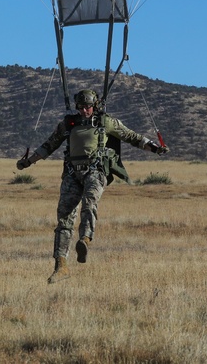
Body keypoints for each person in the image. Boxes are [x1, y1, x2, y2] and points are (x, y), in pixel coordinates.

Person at [16, 88, 168, 283]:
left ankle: (85, 240)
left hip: (95, 171)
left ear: (94, 106)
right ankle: (61, 265)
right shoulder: (69, 124)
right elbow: (49, 145)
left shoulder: (106, 122)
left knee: (89, 203)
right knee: (64, 218)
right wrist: (28, 161)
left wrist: (155, 148)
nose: (84, 111)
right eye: (81, 107)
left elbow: (132, 137)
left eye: (88, 107)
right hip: (72, 173)